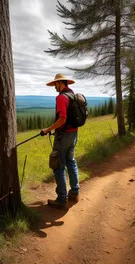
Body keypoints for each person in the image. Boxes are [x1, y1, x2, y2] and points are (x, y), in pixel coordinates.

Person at [41, 73, 80, 209]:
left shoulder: (61, 98)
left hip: (63, 136)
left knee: (58, 167)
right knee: (71, 162)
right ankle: (74, 193)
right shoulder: (72, 95)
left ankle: (62, 199)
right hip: (73, 134)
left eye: (55, 84)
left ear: (60, 83)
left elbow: (62, 119)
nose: (54, 87)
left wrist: (47, 129)